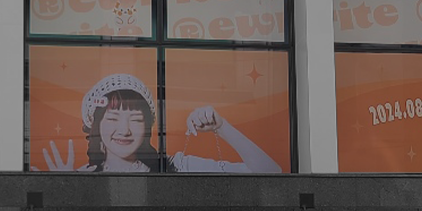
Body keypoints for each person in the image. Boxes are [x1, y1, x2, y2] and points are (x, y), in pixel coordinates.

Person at [39, 73, 282, 173]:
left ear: (148, 126)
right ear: (96, 125)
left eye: (135, 119)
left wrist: (222, 127)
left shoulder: (178, 167)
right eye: (113, 118)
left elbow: (270, 173)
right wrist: (68, 189)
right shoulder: (83, 177)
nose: (124, 130)